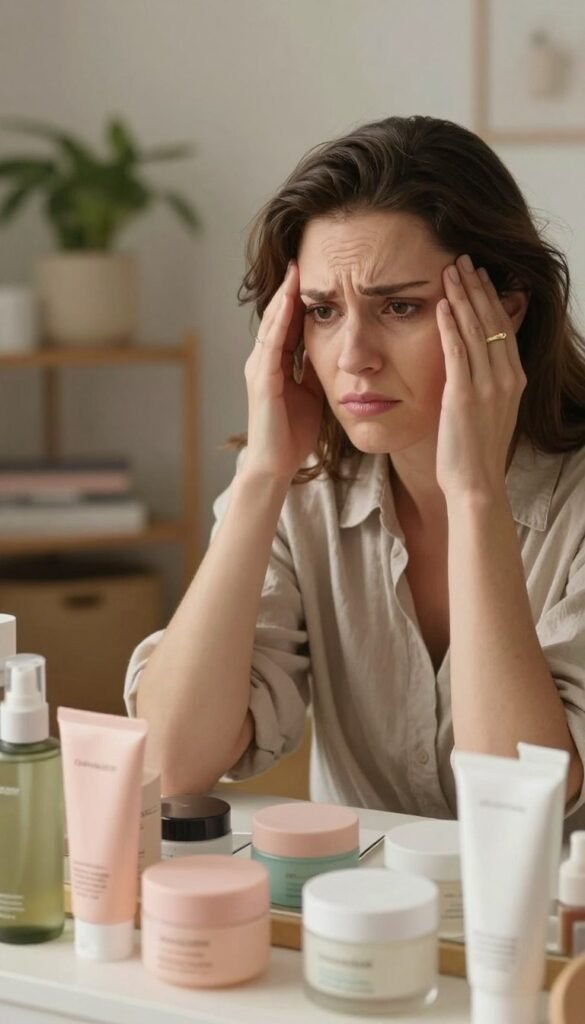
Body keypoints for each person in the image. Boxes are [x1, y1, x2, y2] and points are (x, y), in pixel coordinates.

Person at [124, 115, 585, 822]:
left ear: (506, 311)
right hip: (360, 919)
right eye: (322, 311)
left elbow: (517, 804)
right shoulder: (299, 488)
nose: (352, 356)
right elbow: (167, 764)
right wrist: (260, 477)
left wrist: (474, 496)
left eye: (398, 307)